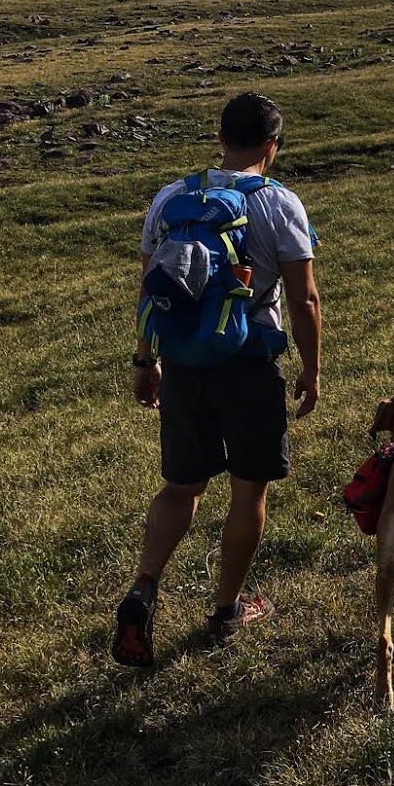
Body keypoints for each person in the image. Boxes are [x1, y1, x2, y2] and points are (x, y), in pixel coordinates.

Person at [112, 91, 321, 666]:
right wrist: (312, 367)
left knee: (182, 487)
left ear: (221, 138)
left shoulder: (171, 197)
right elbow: (303, 298)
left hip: (183, 363)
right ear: (273, 146)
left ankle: (143, 587)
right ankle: (228, 608)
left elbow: (151, 287)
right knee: (247, 489)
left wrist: (145, 358)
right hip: (250, 363)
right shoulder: (280, 203)